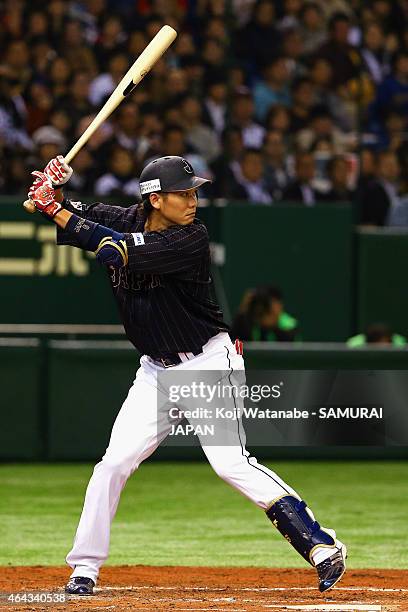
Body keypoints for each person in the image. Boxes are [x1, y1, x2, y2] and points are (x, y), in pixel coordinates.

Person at [27, 154, 347, 596]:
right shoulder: (127, 216)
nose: (192, 200)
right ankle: (84, 568)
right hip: (155, 370)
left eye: (194, 191)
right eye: (183, 193)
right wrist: (54, 192)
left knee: (230, 463)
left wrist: (52, 208)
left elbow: (111, 248)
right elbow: (77, 217)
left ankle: (323, 546)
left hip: (207, 363)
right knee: (113, 464)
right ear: (154, 199)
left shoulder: (191, 238)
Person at [231, 286, 300, 342]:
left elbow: (290, 348)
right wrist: (242, 312)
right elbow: (234, 340)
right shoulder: (250, 320)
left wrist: (273, 325)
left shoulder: (288, 323)